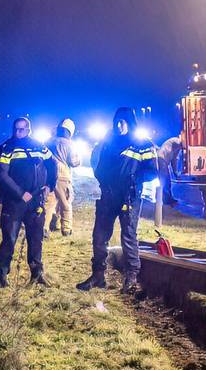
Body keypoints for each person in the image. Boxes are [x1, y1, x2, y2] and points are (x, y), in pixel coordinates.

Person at [77, 107, 158, 292]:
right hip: (109, 195)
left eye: (124, 122)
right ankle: (98, 276)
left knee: (128, 236)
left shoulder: (142, 144)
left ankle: (131, 278)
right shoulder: (108, 142)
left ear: (131, 122)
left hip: (129, 197)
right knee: (99, 236)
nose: (120, 125)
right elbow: (98, 164)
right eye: (117, 122)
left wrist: (134, 180)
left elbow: (153, 171)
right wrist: (103, 180)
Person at [0, 117, 58, 287]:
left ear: (29, 130)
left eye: (22, 129)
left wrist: (50, 185)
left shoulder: (39, 146)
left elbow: (53, 164)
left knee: (36, 238)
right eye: (16, 129)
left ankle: (37, 274)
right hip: (14, 202)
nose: (18, 132)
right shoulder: (6, 148)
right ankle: (3, 275)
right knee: (9, 238)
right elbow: (1, 175)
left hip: (36, 202)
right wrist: (21, 193)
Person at [44, 118, 79, 236]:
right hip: (63, 174)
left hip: (48, 174)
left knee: (49, 202)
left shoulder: (48, 141)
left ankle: (44, 228)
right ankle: (66, 229)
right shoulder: (70, 144)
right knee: (65, 202)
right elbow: (74, 162)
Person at [157, 135, 183, 206]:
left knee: (167, 181)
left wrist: (175, 173)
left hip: (163, 161)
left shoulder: (177, 149)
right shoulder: (175, 140)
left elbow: (174, 161)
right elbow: (180, 142)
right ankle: (166, 200)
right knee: (165, 180)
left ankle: (168, 198)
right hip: (161, 159)